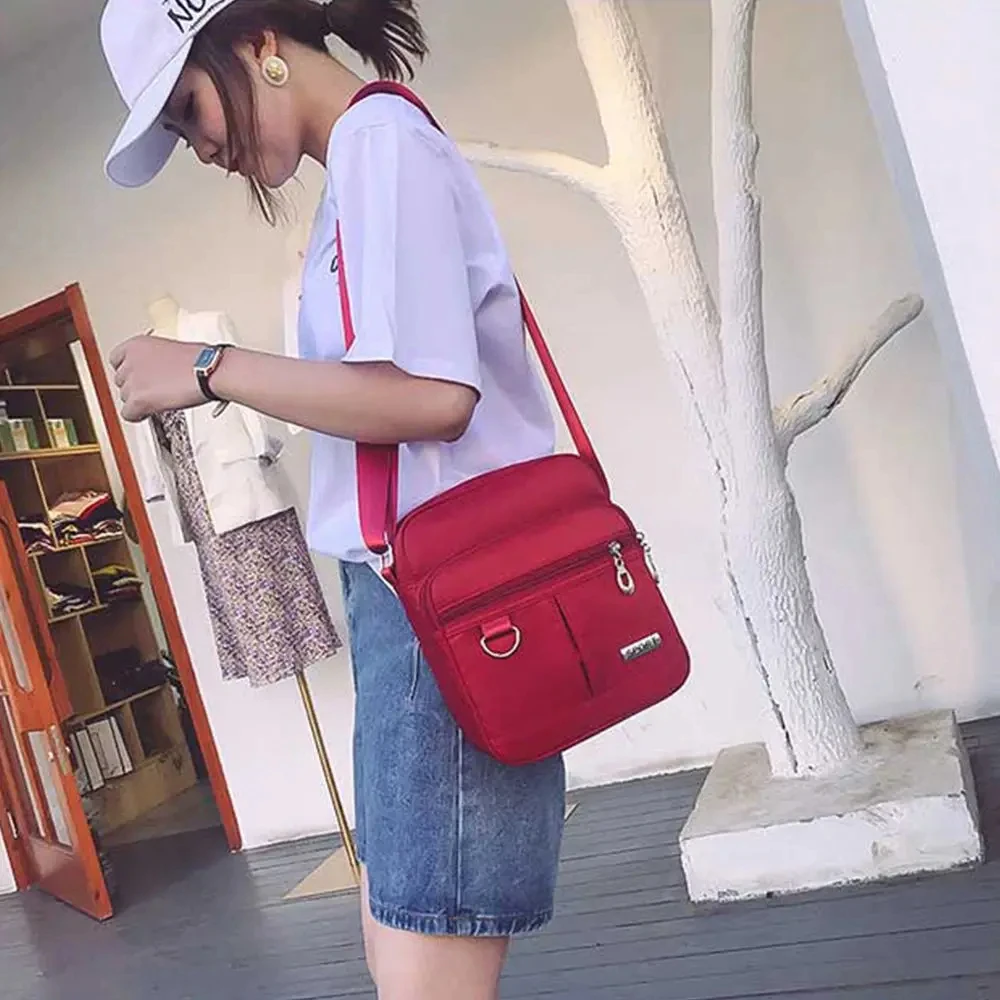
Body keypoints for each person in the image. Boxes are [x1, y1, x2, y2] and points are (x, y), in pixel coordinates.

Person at [98, 2, 565, 998]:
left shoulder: (380, 143)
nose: (201, 147)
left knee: (422, 976)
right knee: (403, 958)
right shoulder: (358, 165)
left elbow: (434, 396)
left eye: (188, 109)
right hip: (409, 608)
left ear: (259, 43)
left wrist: (211, 368)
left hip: (446, 609)